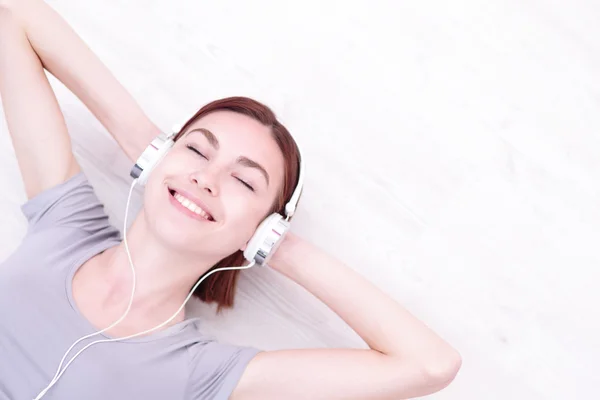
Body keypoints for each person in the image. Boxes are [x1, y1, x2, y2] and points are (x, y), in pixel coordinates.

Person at [0, 0, 462, 399]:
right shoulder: (65, 226)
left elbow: (430, 365)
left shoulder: (202, 374)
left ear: (263, 228)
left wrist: (276, 245)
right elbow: (15, 15)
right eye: (198, 149)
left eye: (245, 182)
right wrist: (147, 143)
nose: (206, 178)